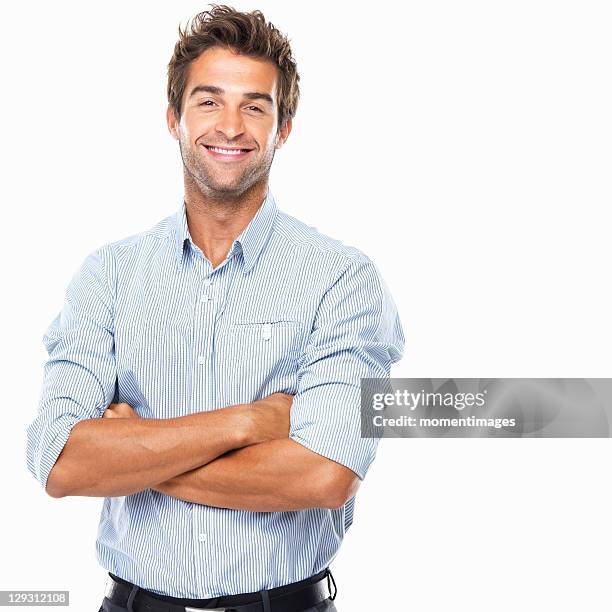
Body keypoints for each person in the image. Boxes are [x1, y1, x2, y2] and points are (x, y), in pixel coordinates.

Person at [25, 5, 405, 611]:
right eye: (208, 101)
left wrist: (134, 456)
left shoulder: (343, 279)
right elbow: (62, 461)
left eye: (255, 105)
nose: (231, 126)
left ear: (283, 128)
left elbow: (325, 475)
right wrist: (248, 423)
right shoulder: (109, 276)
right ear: (173, 118)